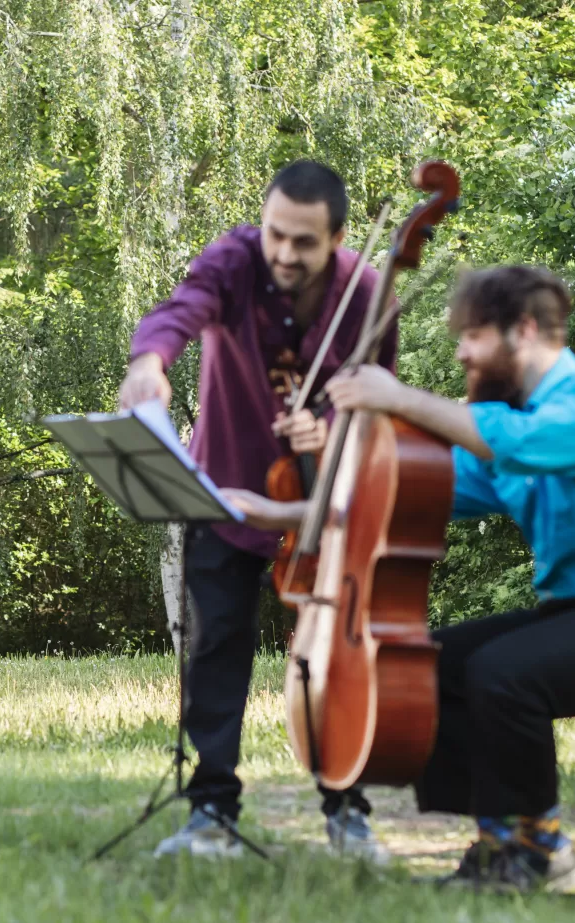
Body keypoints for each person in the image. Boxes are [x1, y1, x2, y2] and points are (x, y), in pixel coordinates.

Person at [224, 265, 575, 890]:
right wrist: (291, 511)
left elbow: (523, 444)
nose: (460, 353)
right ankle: (499, 837)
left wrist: (397, 397)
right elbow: (399, 492)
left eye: (471, 336)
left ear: (522, 330)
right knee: (432, 663)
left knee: (505, 674)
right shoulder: (505, 428)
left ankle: (534, 848)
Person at [119, 160, 397, 860]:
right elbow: (177, 314)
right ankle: (211, 812)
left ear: (335, 238)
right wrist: (150, 362)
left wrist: (331, 429)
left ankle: (347, 808)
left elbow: (379, 401)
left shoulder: (368, 294)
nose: (283, 253)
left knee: (336, 653)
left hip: (323, 498)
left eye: (303, 243)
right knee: (215, 649)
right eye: (276, 234)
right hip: (229, 486)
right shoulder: (235, 257)